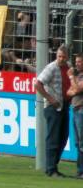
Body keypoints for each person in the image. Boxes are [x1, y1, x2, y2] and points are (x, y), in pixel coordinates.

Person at [35, 46, 72, 177]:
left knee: (63, 137)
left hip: (64, 106)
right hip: (53, 107)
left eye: (63, 56)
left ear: (67, 56)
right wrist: (50, 99)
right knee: (53, 138)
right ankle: (51, 169)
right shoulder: (51, 67)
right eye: (59, 56)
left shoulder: (68, 67)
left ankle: (53, 166)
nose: (61, 59)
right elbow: (37, 84)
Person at [66, 54, 83, 179]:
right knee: (78, 143)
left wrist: (71, 77)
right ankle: (80, 170)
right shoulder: (79, 76)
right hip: (76, 110)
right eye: (76, 62)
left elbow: (76, 90)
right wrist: (74, 88)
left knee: (81, 143)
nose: (77, 64)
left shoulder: (77, 76)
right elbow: (69, 92)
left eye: (79, 62)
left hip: (81, 111)